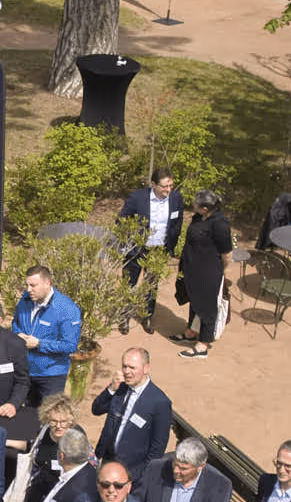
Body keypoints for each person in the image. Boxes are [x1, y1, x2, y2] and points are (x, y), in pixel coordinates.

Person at [117, 169, 184, 329]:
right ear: (153, 184)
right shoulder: (137, 197)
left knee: (151, 285)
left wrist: (170, 248)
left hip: (159, 251)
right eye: (164, 186)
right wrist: (127, 244)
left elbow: (177, 224)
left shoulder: (176, 198)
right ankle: (124, 316)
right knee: (129, 283)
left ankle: (147, 317)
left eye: (171, 185)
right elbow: (121, 221)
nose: (168, 189)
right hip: (136, 249)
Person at [91, 348, 174, 469]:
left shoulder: (159, 402)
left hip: (132, 470)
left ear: (146, 368)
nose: (126, 371)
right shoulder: (119, 387)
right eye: (124, 366)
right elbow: (96, 409)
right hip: (108, 462)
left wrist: (143, 473)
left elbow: (158, 447)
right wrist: (111, 389)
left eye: (132, 367)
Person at [175, 192, 234, 358]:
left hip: (209, 272)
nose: (193, 205)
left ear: (206, 208)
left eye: (196, 204)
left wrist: (222, 272)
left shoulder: (220, 224)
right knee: (194, 300)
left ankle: (203, 345)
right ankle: (191, 332)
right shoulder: (198, 217)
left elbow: (226, 253)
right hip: (193, 268)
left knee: (207, 306)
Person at [11, 265, 83, 401]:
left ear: (47, 283)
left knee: (48, 413)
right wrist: (18, 334)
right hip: (24, 370)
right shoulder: (26, 299)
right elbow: (16, 322)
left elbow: (70, 345)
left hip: (51, 375)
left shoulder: (67, 309)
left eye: (33, 285)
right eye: (27, 285)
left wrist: (39, 344)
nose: (28, 290)